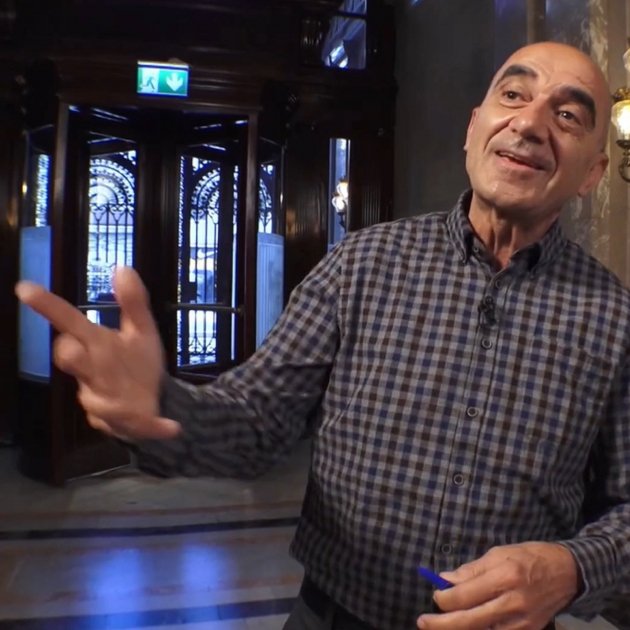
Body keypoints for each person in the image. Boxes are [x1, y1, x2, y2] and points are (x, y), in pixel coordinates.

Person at [15, 41, 630, 630]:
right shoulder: (363, 263)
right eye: (514, 95)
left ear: (593, 173)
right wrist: (160, 405)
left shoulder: (614, 318)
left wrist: (573, 570)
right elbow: (254, 421)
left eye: (568, 116)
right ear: (474, 128)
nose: (530, 123)